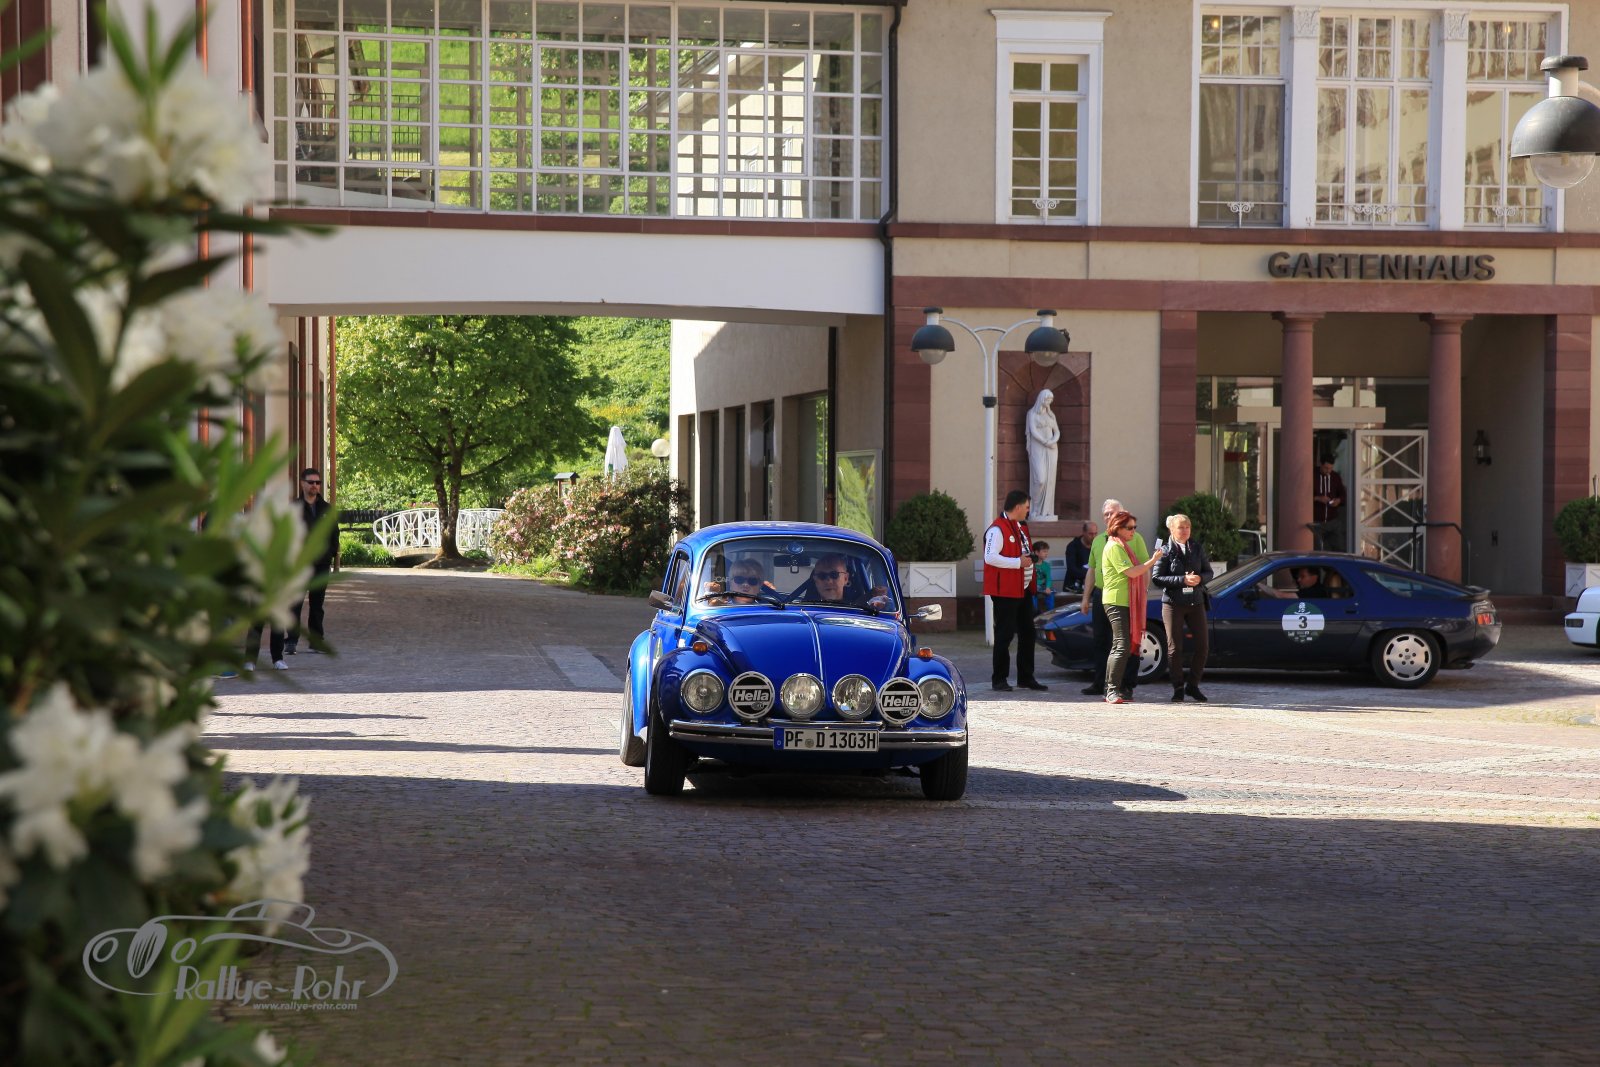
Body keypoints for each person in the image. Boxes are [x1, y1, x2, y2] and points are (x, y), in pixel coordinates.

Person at [1079, 499, 1147, 697]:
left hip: (1127, 596)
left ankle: (1126, 685)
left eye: (1114, 513)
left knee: (1128, 641)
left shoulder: (1135, 537)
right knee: (1101, 640)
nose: (1109, 517)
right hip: (1103, 594)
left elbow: (1143, 568)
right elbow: (1092, 570)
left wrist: (1143, 592)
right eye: (1106, 514)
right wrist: (1085, 598)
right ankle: (1101, 682)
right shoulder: (1099, 540)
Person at [983, 489, 1048, 692]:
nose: (1028, 511)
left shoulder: (1020, 526)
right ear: (1018, 507)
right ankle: (999, 679)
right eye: (1027, 507)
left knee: (1028, 633)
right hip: (1006, 591)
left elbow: (1021, 552)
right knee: (1004, 634)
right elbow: (990, 557)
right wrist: (1017, 562)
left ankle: (1026, 677)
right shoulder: (997, 529)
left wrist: (1029, 559)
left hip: (1023, 589)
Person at [1101, 510, 1162, 705]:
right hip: (1116, 601)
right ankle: (1111, 689)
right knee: (1121, 645)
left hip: (1125, 601)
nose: (1133, 531)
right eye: (1129, 528)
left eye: (1135, 527)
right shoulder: (1114, 546)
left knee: (1123, 646)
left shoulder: (1122, 545)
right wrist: (1153, 561)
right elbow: (1133, 572)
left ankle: (1115, 688)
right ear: (1117, 528)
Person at [1151, 513, 1211, 703]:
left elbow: (1208, 572)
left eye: (1187, 527)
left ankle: (1192, 685)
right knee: (1174, 648)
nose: (1185, 531)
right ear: (1172, 530)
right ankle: (1178, 687)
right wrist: (1182, 580)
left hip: (1196, 601)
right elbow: (1157, 578)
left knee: (1203, 646)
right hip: (1173, 603)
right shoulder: (1165, 550)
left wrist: (1200, 578)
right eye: (1180, 527)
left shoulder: (1196, 547)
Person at [286, 468, 337, 655]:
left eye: (318, 482)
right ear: (302, 483)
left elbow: (334, 534)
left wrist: (330, 553)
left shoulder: (327, 509)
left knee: (317, 605)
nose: (315, 485)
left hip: (321, 564)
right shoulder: (294, 508)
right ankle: (291, 641)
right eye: (311, 482)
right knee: (295, 603)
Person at [1025, 389, 1060, 519]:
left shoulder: (1051, 415)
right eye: (1048, 399)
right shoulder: (1031, 414)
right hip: (1038, 448)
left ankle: (1046, 510)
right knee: (1040, 479)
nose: (1049, 402)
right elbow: (1033, 431)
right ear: (1042, 399)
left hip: (1051, 449)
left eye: (1051, 400)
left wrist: (1052, 441)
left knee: (1050, 480)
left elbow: (1057, 431)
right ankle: (1034, 507)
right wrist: (1045, 441)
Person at [1312, 455, 1346, 552]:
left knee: (1339, 549)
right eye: (1326, 468)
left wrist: (1338, 500)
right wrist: (1317, 498)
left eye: (1331, 468)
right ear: (1321, 464)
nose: (1328, 471)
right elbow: (1303, 496)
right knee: (1318, 550)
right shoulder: (1312, 475)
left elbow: (1343, 494)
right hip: (1317, 522)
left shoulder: (1335, 477)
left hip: (1333, 521)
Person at [1063, 521, 1095, 592]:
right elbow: (1072, 569)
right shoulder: (1073, 546)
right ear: (1084, 532)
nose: (1093, 537)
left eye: (1095, 533)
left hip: (1092, 585)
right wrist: (1090, 575)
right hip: (1073, 585)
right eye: (1090, 534)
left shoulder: (1097, 546)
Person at [1030, 541, 1055, 614]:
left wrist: (1048, 587)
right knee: (1032, 595)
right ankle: (1034, 613)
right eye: (1044, 551)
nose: (1046, 553)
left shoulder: (1046, 565)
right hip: (1033, 586)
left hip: (1043, 586)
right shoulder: (1031, 564)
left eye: (1047, 551)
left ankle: (1050, 612)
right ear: (1036, 552)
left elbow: (1048, 578)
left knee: (1050, 593)